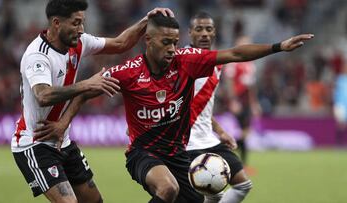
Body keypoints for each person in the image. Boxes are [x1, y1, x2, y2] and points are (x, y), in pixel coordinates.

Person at [37, 13, 313, 203]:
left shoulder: (187, 61)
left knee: (194, 198)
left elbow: (235, 54)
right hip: (142, 154)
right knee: (168, 188)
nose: (172, 48)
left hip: (178, 155)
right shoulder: (129, 72)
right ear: (149, 41)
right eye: (166, 42)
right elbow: (85, 91)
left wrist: (279, 46)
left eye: (175, 42)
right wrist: (63, 124)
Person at [11, 0, 173, 202]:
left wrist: (145, 21)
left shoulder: (79, 43)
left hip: (63, 142)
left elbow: (121, 43)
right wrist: (88, 84)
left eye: (82, 22)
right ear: (56, 23)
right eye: (76, 23)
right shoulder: (38, 55)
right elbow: (43, 95)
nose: (81, 29)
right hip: (35, 143)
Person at [185, 12, 252, 203]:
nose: (204, 34)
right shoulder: (182, 61)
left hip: (209, 139)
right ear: (190, 33)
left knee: (242, 185)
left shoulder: (217, 64)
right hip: (186, 144)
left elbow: (202, 106)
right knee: (210, 195)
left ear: (214, 33)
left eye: (208, 29)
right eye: (199, 29)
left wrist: (220, 131)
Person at [224, 36, 261, 171]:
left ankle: (241, 164)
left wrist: (254, 103)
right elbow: (229, 82)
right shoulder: (233, 63)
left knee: (246, 132)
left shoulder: (250, 65)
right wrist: (233, 101)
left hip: (246, 101)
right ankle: (232, 157)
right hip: (238, 100)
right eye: (244, 44)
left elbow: (251, 86)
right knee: (241, 131)